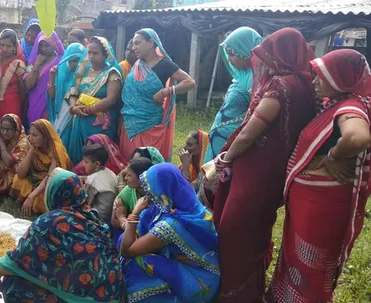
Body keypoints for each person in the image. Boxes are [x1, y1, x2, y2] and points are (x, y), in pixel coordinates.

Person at [212, 28, 316, 302]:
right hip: (274, 173)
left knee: (234, 233)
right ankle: (249, 290)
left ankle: (235, 294)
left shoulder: (281, 86)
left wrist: (225, 157)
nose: (264, 62)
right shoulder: (308, 85)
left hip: (255, 173)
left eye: (268, 55)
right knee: (254, 233)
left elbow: (249, 132)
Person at [265, 49, 371, 302]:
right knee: (297, 257)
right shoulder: (334, 103)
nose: (314, 82)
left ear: (339, 78)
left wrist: (333, 156)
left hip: (321, 207)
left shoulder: (351, 106)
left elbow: (357, 137)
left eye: (321, 76)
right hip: (309, 203)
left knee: (311, 263)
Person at [0, 168, 125, 302]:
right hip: (112, 294)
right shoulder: (96, 219)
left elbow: (14, 260)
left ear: (54, 193)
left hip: (86, 298)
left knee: (13, 283)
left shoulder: (49, 222)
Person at [119, 163, 220, 302]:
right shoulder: (188, 205)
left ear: (163, 190)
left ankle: (161, 297)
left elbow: (127, 250)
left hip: (199, 279)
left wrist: (134, 213)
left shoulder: (172, 224)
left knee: (136, 260)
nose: (148, 192)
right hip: (191, 266)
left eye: (151, 187)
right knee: (122, 240)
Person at [119, 28, 196, 161]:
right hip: (130, 122)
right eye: (133, 44)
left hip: (150, 124)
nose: (133, 48)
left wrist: (166, 91)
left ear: (150, 43)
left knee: (147, 162)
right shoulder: (138, 64)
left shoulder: (164, 64)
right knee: (130, 164)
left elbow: (190, 82)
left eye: (138, 43)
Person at [204, 27, 262, 163]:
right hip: (220, 138)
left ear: (246, 51)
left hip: (231, 143)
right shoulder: (242, 75)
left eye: (232, 53)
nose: (229, 59)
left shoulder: (254, 79)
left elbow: (255, 115)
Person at [62, 36, 123, 164]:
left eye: (95, 53)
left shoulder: (112, 73)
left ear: (105, 54)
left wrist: (87, 109)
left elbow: (111, 99)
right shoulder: (83, 70)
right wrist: (73, 107)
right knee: (78, 156)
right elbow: (73, 90)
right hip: (79, 119)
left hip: (100, 124)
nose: (91, 56)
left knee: (96, 157)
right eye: (89, 52)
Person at [11, 119, 72, 214]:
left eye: (35, 135)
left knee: (44, 196)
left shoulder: (56, 149)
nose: (30, 138)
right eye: (30, 134)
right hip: (37, 180)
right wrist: (31, 150)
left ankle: (33, 201)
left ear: (45, 137)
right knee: (18, 180)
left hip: (53, 183)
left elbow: (51, 177)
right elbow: (21, 174)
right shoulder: (33, 145)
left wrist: (31, 196)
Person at [24, 31, 65, 126]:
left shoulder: (61, 62)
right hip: (34, 104)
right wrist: (37, 65)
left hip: (50, 105)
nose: (43, 48)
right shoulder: (33, 62)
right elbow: (28, 85)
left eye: (47, 45)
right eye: (41, 45)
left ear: (54, 45)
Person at [110, 157, 154, 244]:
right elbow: (114, 220)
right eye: (126, 174)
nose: (125, 178)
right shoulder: (127, 193)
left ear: (142, 178)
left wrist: (123, 219)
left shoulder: (158, 193)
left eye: (129, 175)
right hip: (136, 238)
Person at [0, 114, 28, 195]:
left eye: (8, 129)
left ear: (16, 130)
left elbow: (9, 163)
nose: (4, 132)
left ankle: (7, 191)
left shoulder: (23, 142)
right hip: (6, 169)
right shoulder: (2, 136)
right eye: (2, 128)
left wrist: (2, 143)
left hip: (19, 173)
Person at [47, 42, 85, 135]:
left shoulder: (85, 77)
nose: (74, 64)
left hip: (74, 115)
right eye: (71, 60)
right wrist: (52, 77)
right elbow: (52, 97)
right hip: (60, 114)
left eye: (77, 60)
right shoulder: (62, 75)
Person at [0, 29, 27, 125]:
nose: (4, 49)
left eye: (9, 46)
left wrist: (22, 108)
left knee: (9, 130)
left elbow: (23, 91)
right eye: (2, 45)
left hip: (12, 104)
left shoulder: (19, 63)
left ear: (15, 47)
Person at [81, 144, 118, 222]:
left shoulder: (91, 180)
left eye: (86, 162)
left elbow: (86, 203)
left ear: (97, 164)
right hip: (112, 214)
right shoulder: (110, 172)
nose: (83, 164)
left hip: (99, 219)